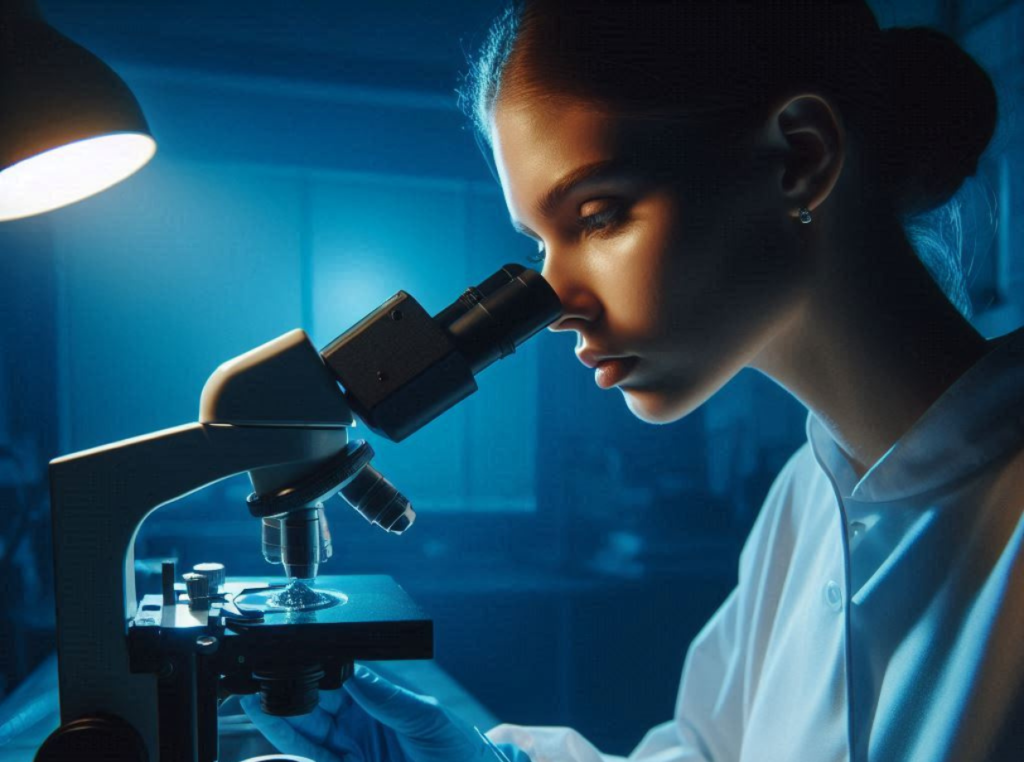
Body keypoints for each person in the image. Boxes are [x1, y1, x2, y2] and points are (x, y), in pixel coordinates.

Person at [245, 1, 1024, 759]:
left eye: (597, 215)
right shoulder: (806, 499)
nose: (556, 305)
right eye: (541, 244)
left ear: (801, 157)